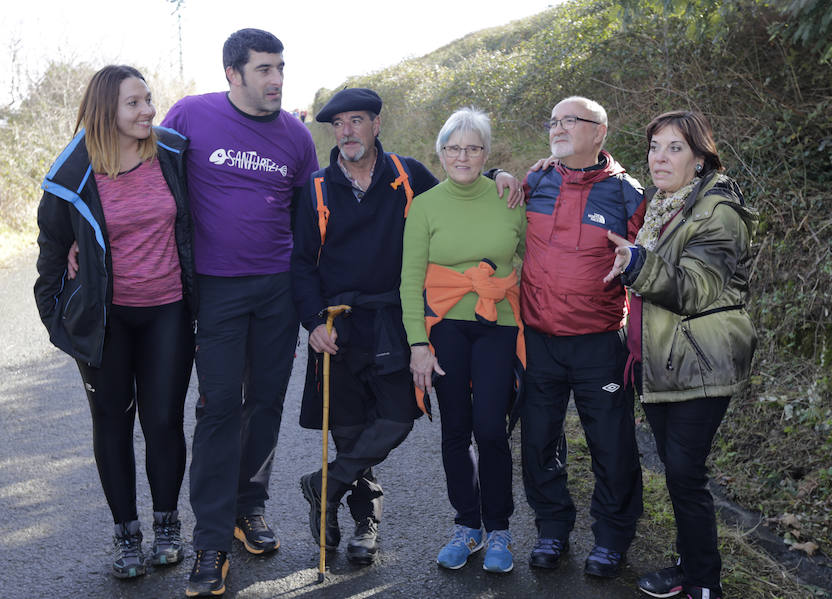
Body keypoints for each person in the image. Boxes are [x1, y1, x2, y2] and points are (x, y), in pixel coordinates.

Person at [292, 89, 522, 566]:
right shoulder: (316, 187)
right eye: (339, 125)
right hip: (339, 326)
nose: (347, 131)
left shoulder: (406, 174)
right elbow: (300, 264)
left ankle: (327, 484)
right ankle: (356, 521)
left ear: (376, 124)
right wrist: (313, 321)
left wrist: (500, 174)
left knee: (397, 419)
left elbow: (460, 188)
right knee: (350, 433)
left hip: (395, 320)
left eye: (357, 121)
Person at [160, 28, 319, 597]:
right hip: (217, 289)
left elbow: (310, 219)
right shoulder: (189, 116)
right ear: (233, 73)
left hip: (277, 289)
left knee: (267, 401)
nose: (276, 80)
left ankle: (248, 506)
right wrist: (81, 234)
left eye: (280, 67)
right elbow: (130, 168)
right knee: (220, 407)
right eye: (263, 69)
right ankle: (209, 541)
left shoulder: (297, 138)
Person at [34, 65, 194, 579]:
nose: (147, 109)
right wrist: (64, 323)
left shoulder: (172, 152)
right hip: (106, 321)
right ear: (108, 109)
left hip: (168, 307)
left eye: (148, 99)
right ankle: (127, 534)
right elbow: (51, 258)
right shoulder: (71, 174)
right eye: (134, 103)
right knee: (112, 423)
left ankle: (168, 526)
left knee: (164, 421)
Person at [604, 110, 758, 599]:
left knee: (685, 473)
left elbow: (696, 290)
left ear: (699, 158)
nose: (660, 157)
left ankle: (703, 582)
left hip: (700, 360)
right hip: (661, 363)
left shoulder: (718, 210)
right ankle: (689, 562)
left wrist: (636, 262)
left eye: (674, 147)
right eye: (654, 146)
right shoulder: (663, 204)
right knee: (677, 471)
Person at [519, 96, 646, 578]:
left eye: (570, 120)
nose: (558, 127)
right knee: (538, 442)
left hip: (599, 343)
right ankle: (552, 529)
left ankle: (613, 539)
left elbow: (649, 261)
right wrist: (499, 178)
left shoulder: (630, 194)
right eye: (552, 120)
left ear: (600, 132)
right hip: (540, 340)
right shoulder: (535, 181)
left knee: (611, 445)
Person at [399, 108, 526, 573]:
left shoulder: (511, 197)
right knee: (456, 430)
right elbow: (410, 278)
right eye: (453, 148)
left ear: (487, 154)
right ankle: (466, 526)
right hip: (444, 327)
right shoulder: (426, 205)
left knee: (491, 428)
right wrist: (417, 344)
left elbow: (531, 257)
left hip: (499, 323)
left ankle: (499, 531)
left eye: (473, 148)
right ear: (441, 153)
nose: (463, 156)